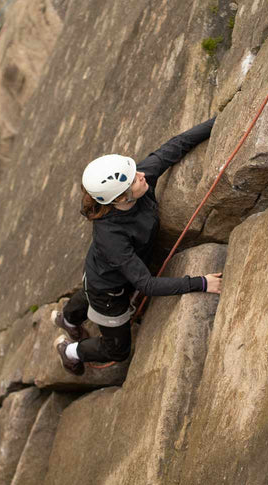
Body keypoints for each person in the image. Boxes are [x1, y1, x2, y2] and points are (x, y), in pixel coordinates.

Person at [52, 117, 222, 376]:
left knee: (87, 291)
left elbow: (175, 146)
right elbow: (147, 284)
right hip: (110, 294)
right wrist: (201, 283)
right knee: (117, 351)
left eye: (136, 173)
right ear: (120, 197)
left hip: (100, 271)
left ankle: (68, 319)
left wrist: (216, 123)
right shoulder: (112, 237)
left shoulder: (132, 185)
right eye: (133, 179)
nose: (142, 175)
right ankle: (70, 351)